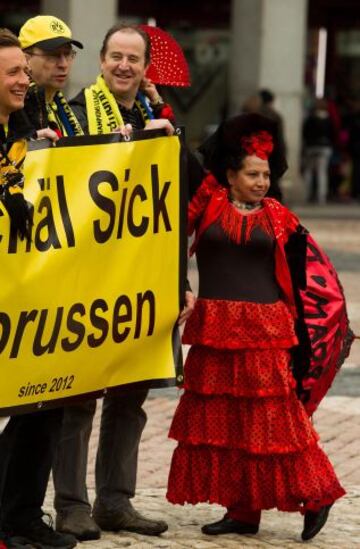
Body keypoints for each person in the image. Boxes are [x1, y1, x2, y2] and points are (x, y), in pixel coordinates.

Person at [166, 113, 347, 542]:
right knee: (228, 422)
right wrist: (165, 115)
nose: (262, 181)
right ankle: (242, 511)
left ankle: (317, 495)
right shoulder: (206, 204)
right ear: (230, 175)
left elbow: (311, 274)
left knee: (277, 422)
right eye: (252, 173)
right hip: (214, 329)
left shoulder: (279, 216)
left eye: (266, 174)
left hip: (265, 331)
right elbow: (172, 227)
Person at [52, 24, 179, 542]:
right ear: (101, 61)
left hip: (141, 278)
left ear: (146, 68)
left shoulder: (155, 115)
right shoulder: (74, 114)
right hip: (86, 278)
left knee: (130, 396)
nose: (125, 66)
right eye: (116, 57)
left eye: (134, 59)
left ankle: (115, 501)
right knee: (78, 397)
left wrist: (165, 120)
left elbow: (177, 192)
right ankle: (71, 505)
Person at [0, 28, 77, 549]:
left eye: (25, 71)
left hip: (34, 298)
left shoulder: (28, 137)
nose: (24, 79)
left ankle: (22, 514)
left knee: (46, 405)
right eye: (13, 72)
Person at [18, 15, 84, 139]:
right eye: (53, 55)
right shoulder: (12, 109)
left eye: (68, 54)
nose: (64, 64)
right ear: (25, 59)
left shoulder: (59, 104)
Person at [302, 98, 335, 204]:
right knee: (322, 172)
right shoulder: (329, 119)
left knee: (309, 171)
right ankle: (322, 197)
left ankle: (306, 194)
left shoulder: (310, 118)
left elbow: (305, 132)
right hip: (325, 147)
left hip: (311, 147)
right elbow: (333, 134)